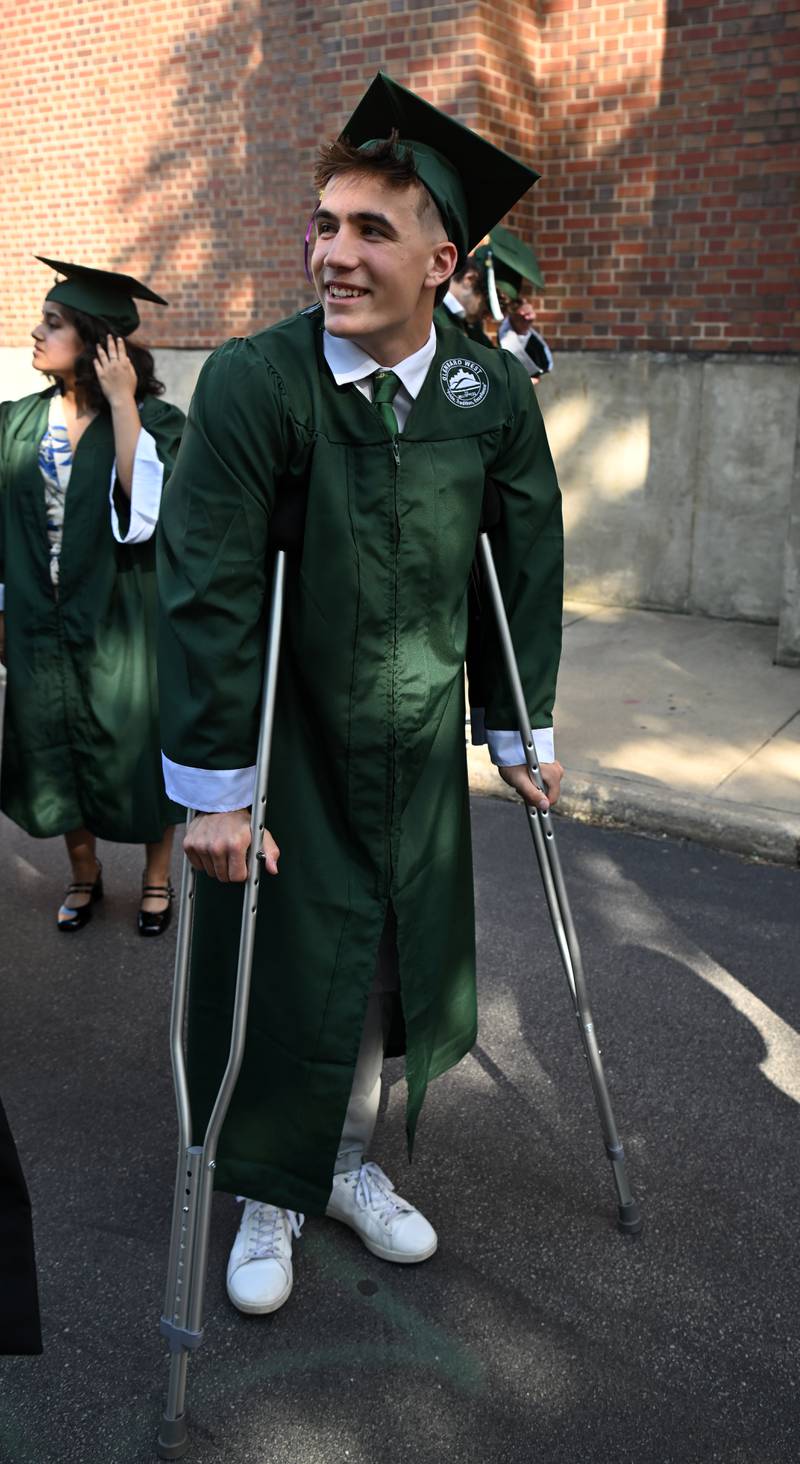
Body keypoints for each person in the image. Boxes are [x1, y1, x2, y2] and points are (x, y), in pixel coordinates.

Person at [158, 72, 564, 1316]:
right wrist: (218, 791)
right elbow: (212, 585)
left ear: (443, 261)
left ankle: (341, 1164)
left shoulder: (483, 395)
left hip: (413, 739)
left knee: (391, 962)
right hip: (287, 736)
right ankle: (265, 1183)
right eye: (323, 224)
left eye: (368, 230)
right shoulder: (257, 382)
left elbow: (523, 558)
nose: (332, 254)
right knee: (281, 960)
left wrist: (515, 727)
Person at [0, 260, 185, 934]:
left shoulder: (157, 421)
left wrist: (124, 400)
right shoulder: (16, 424)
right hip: (37, 623)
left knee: (136, 749)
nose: (36, 331)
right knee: (51, 748)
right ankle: (85, 876)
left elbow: (150, 514)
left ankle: (158, 881)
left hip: (122, 621)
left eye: (54, 323)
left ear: (99, 341)